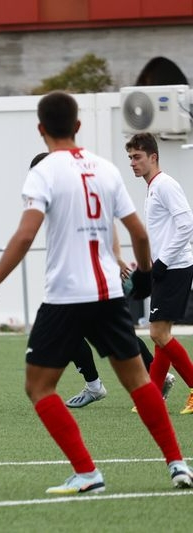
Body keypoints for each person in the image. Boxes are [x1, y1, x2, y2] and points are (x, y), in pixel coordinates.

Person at [0, 90, 192, 494]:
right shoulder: (106, 169)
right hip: (108, 294)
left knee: (38, 387)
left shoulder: (44, 171)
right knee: (140, 382)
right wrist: (143, 276)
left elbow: (24, 236)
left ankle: (87, 472)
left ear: (41, 130)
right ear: (77, 126)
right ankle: (178, 464)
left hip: (67, 295)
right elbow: (139, 233)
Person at [22, 154, 173, 409]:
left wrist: (117, 259)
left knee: (80, 331)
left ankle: (104, 385)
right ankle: (141, 378)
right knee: (105, 330)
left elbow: (114, 224)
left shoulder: (74, 191)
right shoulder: (59, 194)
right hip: (79, 275)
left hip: (88, 275)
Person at [126, 132, 193, 416]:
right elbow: (163, 230)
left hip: (175, 267)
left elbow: (187, 225)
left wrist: (163, 261)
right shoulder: (152, 187)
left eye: (137, 157)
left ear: (153, 157)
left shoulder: (165, 185)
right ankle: (151, 396)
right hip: (164, 266)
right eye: (130, 157)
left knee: (157, 332)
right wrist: (148, 262)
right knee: (160, 333)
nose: (133, 163)